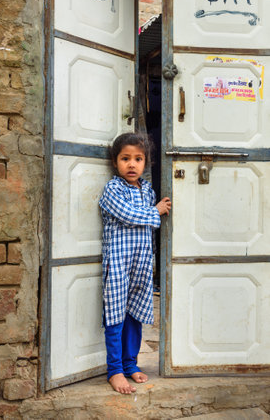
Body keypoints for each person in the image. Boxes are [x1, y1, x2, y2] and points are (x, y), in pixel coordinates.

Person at [99, 132, 171, 394]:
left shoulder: (148, 189)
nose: (132, 164)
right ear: (115, 162)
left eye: (138, 159)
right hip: (118, 264)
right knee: (115, 315)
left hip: (141, 264)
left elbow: (147, 219)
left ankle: (130, 364)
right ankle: (115, 370)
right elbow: (128, 216)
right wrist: (156, 211)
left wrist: (154, 209)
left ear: (146, 162)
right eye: (125, 158)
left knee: (135, 315)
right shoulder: (113, 189)